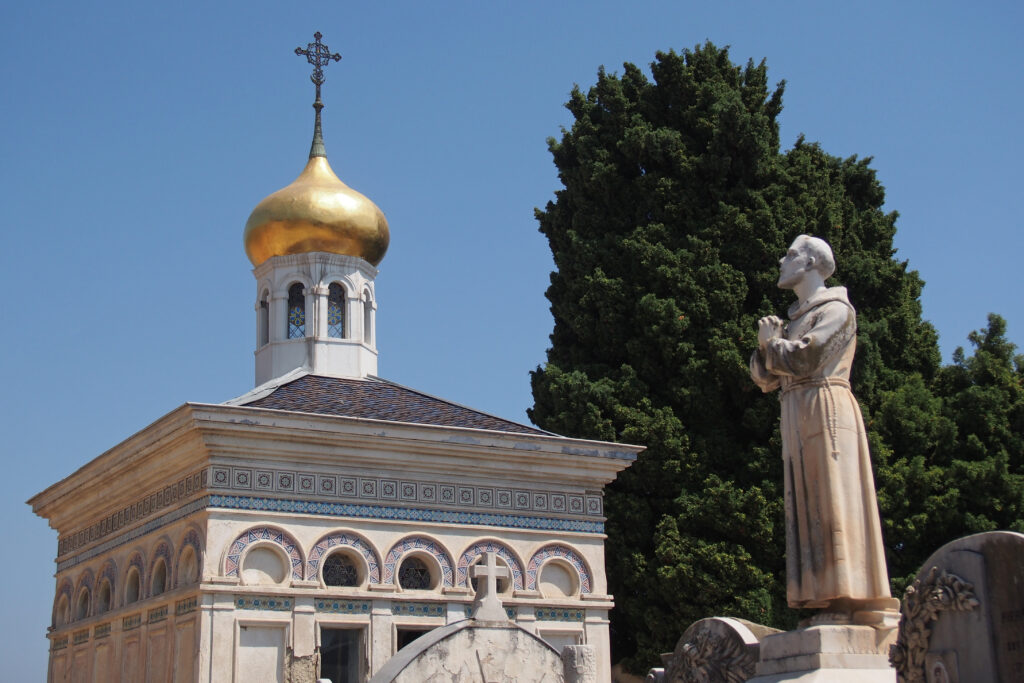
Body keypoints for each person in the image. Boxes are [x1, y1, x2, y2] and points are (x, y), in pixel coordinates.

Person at [750, 235, 895, 621]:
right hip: (795, 410)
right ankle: (819, 596)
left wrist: (772, 346)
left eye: (791, 254)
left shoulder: (837, 309)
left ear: (812, 263)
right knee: (805, 501)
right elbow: (765, 377)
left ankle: (850, 595)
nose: (783, 260)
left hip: (826, 408)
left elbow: (807, 358)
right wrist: (770, 348)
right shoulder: (793, 318)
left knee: (833, 498)